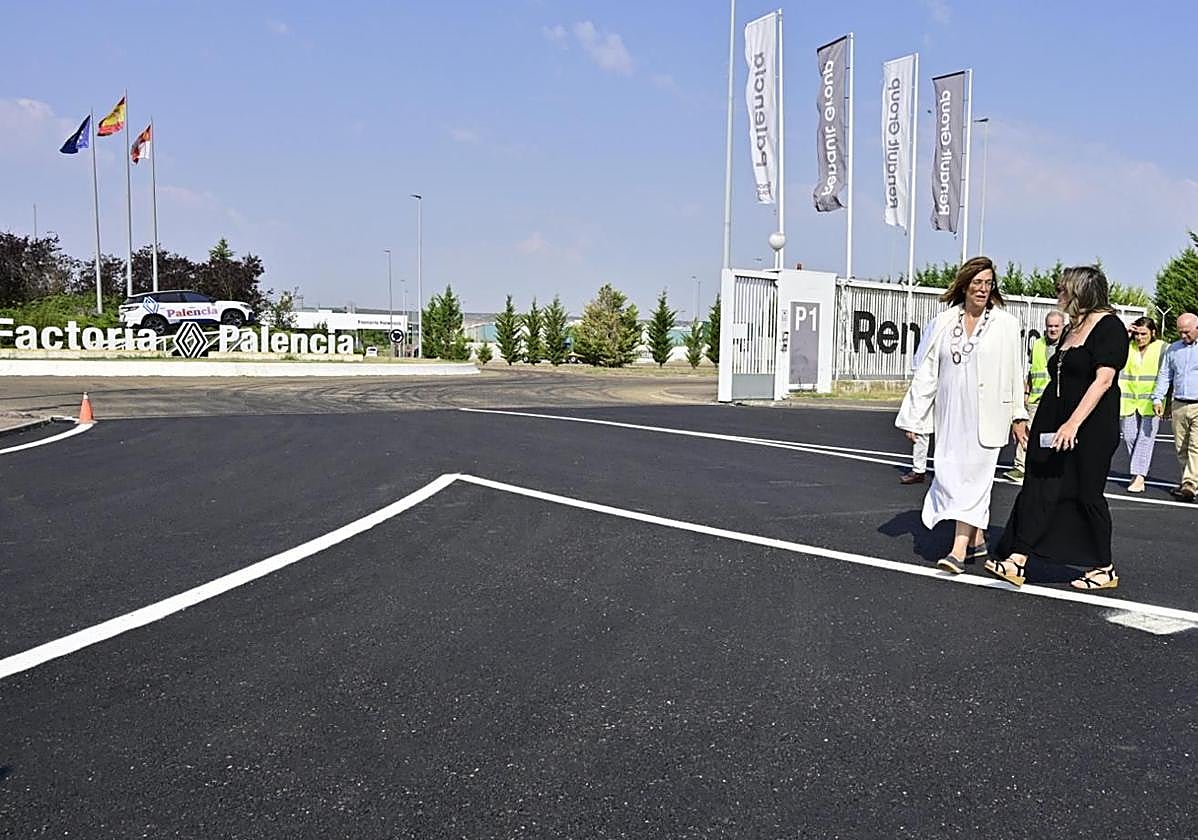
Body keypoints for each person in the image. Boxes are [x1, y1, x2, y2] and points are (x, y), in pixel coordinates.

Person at [988, 266, 1130, 590]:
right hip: (1054, 421)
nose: (1058, 294)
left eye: (1062, 289)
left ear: (1080, 292)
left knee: (1086, 494)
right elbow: (1059, 378)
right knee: (1038, 483)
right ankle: (1017, 558)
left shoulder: (1110, 328)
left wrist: (1072, 424)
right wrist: (1031, 423)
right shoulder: (1071, 329)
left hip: (1089, 427)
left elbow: (1103, 381)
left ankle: (1103, 567)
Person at [896, 257, 1028, 573]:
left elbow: (1014, 372)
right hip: (951, 414)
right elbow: (927, 371)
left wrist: (1018, 415)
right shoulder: (943, 322)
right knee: (950, 476)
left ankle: (957, 550)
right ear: (965, 284)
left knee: (975, 480)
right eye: (978, 282)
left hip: (988, 415)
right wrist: (915, 417)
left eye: (988, 283)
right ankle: (977, 538)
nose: (983, 289)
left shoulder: (1006, 324)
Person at [1004, 310, 1064, 482]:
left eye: (1056, 326)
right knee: (1027, 431)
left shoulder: (1068, 344)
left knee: (1053, 435)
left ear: (1062, 327)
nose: (1052, 329)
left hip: (1058, 399)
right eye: (1049, 326)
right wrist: (1026, 392)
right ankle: (1020, 467)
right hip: (1036, 398)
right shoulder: (1038, 344)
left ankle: (1048, 468)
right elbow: (1032, 371)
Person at [1152, 312, 1198, 502]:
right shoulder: (1173, 349)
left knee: (1196, 446)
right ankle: (1188, 482)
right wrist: (1157, 398)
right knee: (1181, 447)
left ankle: (1190, 484)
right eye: (1180, 332)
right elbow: (1165, 375)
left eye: (1187, 332)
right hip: (1179, 404)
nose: (1183, 336)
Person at [1120, 317, 1166, 493]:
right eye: (1137, 333)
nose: (1139, 338)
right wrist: (1125, 333)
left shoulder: (1162, 348)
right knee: (1131, 437)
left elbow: (1166, 374)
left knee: (1146, 439)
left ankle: (1138, 477)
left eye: (1143, 334)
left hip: (1151, 402)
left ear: (1153, 333)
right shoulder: (1127, 346)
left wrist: (1161, 398)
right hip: (1128, 400)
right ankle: (1139, 470)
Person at [899, 316, 939, 485]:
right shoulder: (939, 322)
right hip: (930, 373)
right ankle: (919, 469)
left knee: (948, 428)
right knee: (921, 425)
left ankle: (943, 470)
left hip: (948, 380)